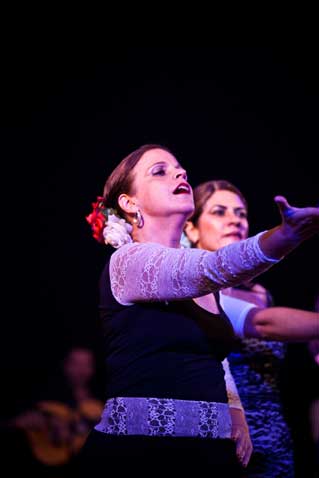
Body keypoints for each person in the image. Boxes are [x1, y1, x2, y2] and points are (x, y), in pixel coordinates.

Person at [81, 144, 319, 477]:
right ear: (129, 202)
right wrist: (284, 237)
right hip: (140, 457)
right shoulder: (128, 261)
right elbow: (213, 268)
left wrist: (235, 412)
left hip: (208, 454)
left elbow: (215, 356)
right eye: (160, 171)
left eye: (180, 169)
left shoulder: (205, 288)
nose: (181, 173)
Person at [184, 178, 319, 477]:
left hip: (275, 440)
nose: (234, 219)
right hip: (224, 442)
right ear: (191, 229)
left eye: (241, 213)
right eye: (219, 212)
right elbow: (263, 323)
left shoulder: (261, 294)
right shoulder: (193, 288)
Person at [7, 346, 105, 476]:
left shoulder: (101, 400)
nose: (81, 370)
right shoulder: (45, 397)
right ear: (65, 365)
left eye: (87, 364)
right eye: (75, 364)